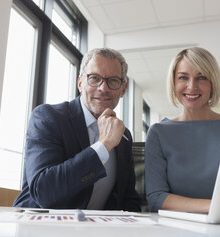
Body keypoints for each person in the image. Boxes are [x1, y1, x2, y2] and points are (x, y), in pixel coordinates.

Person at [13, 48, 140, 211]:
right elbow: (44, 191)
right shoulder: (48, 117)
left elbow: (128, 198)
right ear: (80, 83)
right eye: (94, 78)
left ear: (123, 89)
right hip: (41, 228)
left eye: (113, 81)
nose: (103, 88)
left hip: (95, 232)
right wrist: (103, 145)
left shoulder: (124, 136)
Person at [145, 47, 220, 213]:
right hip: (178, 227)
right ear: (174, 83)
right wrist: (213, 207)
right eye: (183, 77)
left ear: (213, 83)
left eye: (202, 78)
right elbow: (156, 197)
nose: (192, 86)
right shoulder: (159, 132)